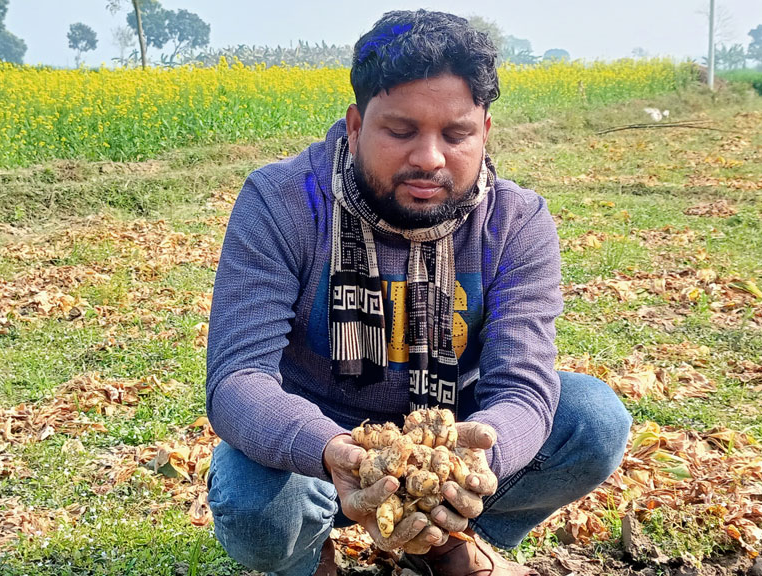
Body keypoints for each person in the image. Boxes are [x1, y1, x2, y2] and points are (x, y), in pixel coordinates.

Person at [205, 10, 631, 576]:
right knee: (254, 501)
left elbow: (523, 387)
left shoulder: (515, 222)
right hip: (321, 446)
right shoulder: (283, 202)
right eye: (401, 132)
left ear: (484, 132)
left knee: (592, 421)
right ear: (356, 126)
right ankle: (310, 558)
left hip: (452, 433)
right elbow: (237, 378)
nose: (429, 158)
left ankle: (445, 541)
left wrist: (472, 465)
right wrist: (334, 452)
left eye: (456, 135)